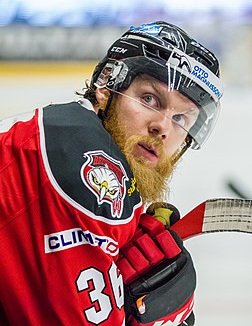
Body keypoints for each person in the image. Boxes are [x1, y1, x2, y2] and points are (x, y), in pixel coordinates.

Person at [0, 21, 223, 325]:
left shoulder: (65, 133)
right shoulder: (92, 164)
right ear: (106, 87)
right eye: (149, 99)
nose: (163, 127)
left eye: (181, 117)